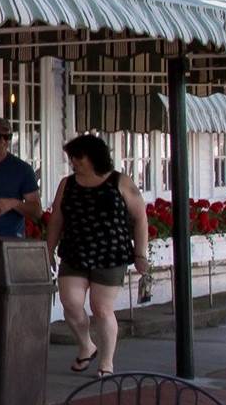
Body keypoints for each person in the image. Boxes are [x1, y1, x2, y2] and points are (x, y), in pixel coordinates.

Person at [44, 132, 150, 376]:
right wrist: (48, 249)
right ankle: (86, 345)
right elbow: (57, 219)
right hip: (75, 251)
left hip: (111, 253)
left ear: (93, 157)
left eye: (78, 157)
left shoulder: (119, 181)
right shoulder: (67, 184)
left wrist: (140, 254)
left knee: (101, 308)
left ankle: (106, 361)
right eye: (72, 157)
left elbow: (140, 217)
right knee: (70, 302)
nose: (74, 162)